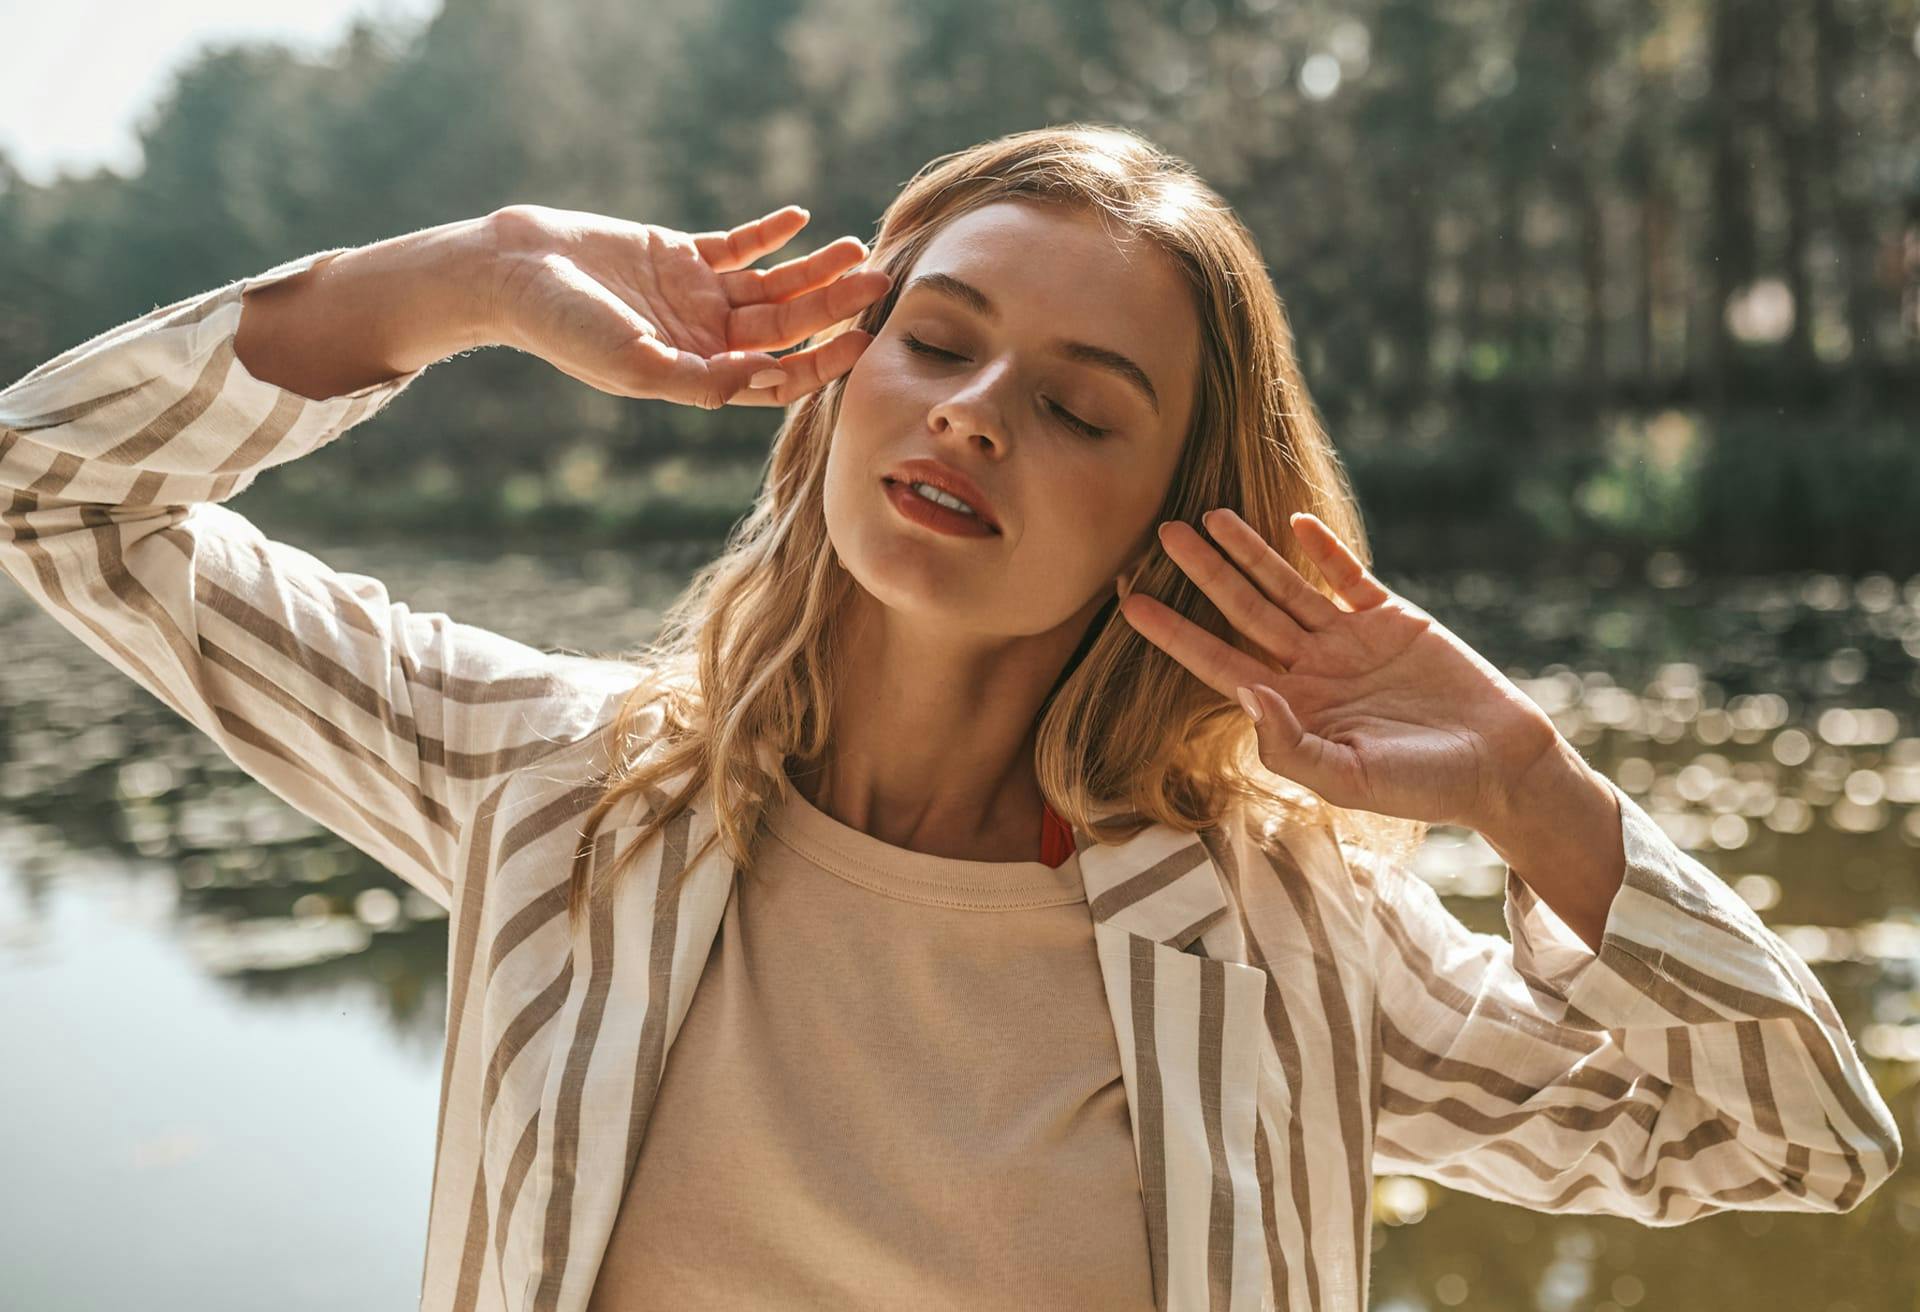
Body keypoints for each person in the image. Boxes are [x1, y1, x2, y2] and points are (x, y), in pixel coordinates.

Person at [0, 124, 1900, 1312]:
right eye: (935, 338)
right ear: (832, 381)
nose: (977, 410)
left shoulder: (1276, 939)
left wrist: (1525, 786)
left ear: (1186, 514)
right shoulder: (551, 787)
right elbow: (52, 490)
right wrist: (471, 279)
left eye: (1081, 407)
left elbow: (1794, 1147)